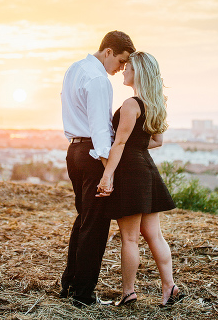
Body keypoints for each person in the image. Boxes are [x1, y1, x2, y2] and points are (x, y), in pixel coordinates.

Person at [96, 52, 184, 307]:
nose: (123, 71)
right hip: (146, 168)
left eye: (128, 68)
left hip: (130, 172)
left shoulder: (131, 104)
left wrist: (107, 175)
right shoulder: (154, 104)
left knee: (130, 238)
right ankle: (170, 287)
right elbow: (156, 141)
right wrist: (137, 147)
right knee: (155, 236)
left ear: (138, 73)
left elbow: (120, 142)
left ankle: (128, 293)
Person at [59, 30, 135, 306]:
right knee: (95, 225)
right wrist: (108, 171)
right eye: (121, 61)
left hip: (74, 151)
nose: (121, 69)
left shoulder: (74, 69)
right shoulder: (99, 80)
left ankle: (70, 285)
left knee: (83, 221)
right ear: (108, 52)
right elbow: (101, 130)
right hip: (92, 154)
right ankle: (83, 295)